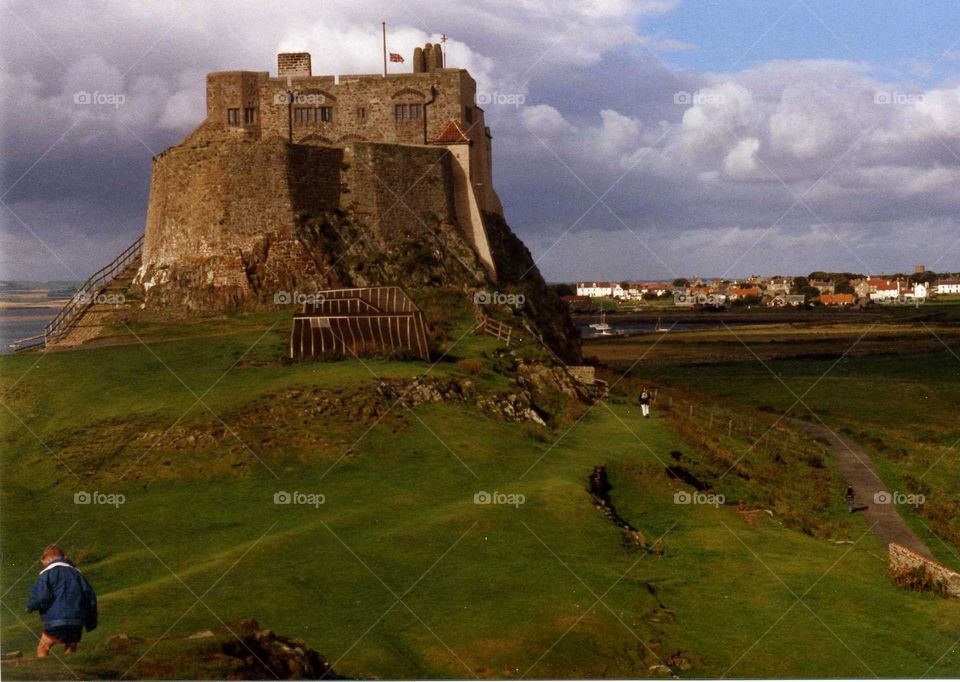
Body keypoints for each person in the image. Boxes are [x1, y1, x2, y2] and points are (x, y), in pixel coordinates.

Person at [26, 545, 98, 657]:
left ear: (48, 559)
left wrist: (31, 606)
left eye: (43, 561)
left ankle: (44, 672)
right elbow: (90, 597)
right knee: (71, 647)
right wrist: (91, 623)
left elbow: (40, 596)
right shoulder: (77, 574)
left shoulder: (46, 574)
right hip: (76, 621)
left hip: (55, 621)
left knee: (43, 647)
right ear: (63, 557)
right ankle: (70, 668)